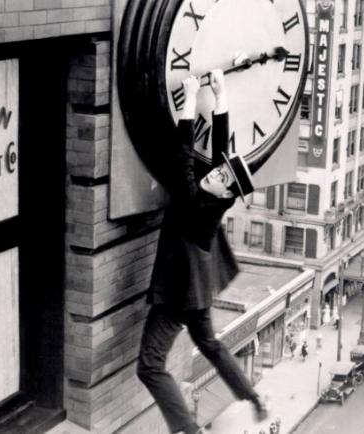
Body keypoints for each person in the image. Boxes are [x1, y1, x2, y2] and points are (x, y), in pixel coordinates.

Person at [136, 71, 268, 434]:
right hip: (197, 290)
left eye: (221, 179)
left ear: (226, 193)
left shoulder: (195, 202)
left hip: (178, 294)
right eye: (219, 172)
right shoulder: (218, 200)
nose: (214, 175)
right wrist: (221, 96)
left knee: (150, 366)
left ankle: (187, 430)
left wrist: (191, 99)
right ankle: (252, 397)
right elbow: (221, 155)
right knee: (210, 344)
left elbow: (183, 156)